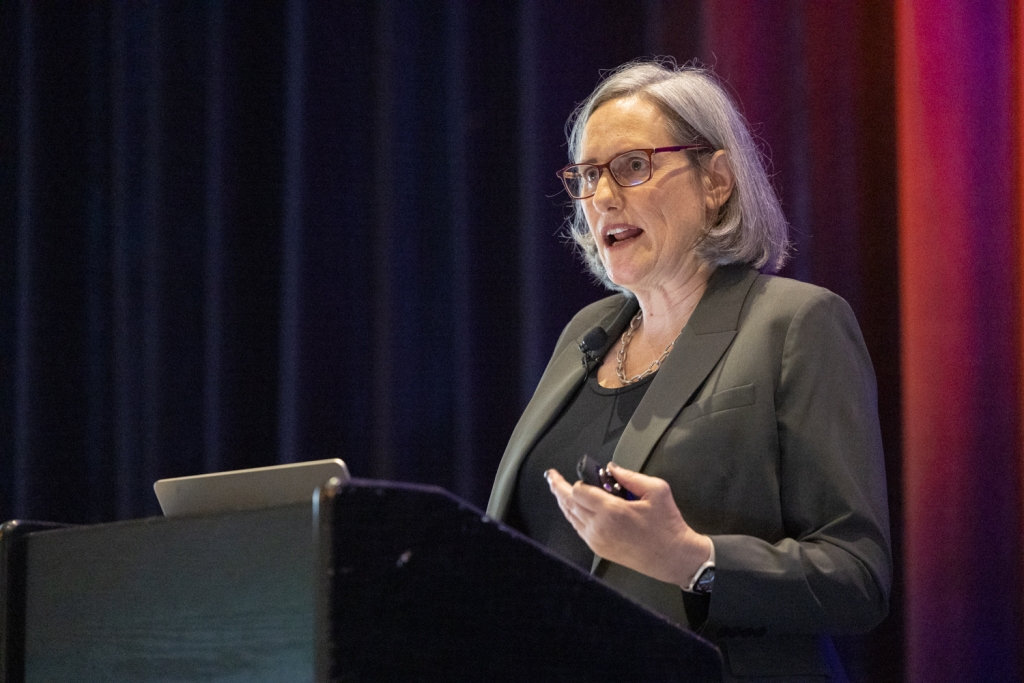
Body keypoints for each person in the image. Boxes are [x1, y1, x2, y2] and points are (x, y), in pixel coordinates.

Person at [486, 60, 891, 682]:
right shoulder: (583, 335)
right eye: (589, 175)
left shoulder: (795, 324)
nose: (604, 198)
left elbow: (856, 576)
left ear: (717, 181)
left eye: (633, 167)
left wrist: (692, 559)